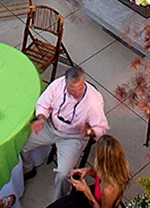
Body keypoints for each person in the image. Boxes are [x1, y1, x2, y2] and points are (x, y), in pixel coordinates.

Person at [21, 67, 110, 199]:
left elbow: (101, 128)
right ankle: (28, 169)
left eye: (80, 89)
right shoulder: (57, 85)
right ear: (65, 83)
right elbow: (43, 104)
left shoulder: (94, 101)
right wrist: (41, 119)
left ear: (84, 82)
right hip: (51, 126)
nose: (76, 93)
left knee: (63, 174)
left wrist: (89, 131)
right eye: (72, 90)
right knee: (22, 144)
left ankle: (60, 200)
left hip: (73, 137)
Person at [46, 135, 130, 208]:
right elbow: (99, 175)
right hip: (90, 195)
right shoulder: (112, 168)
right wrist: (86, 171)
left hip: (93, 201)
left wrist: (86, 191)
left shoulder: (109, 190)